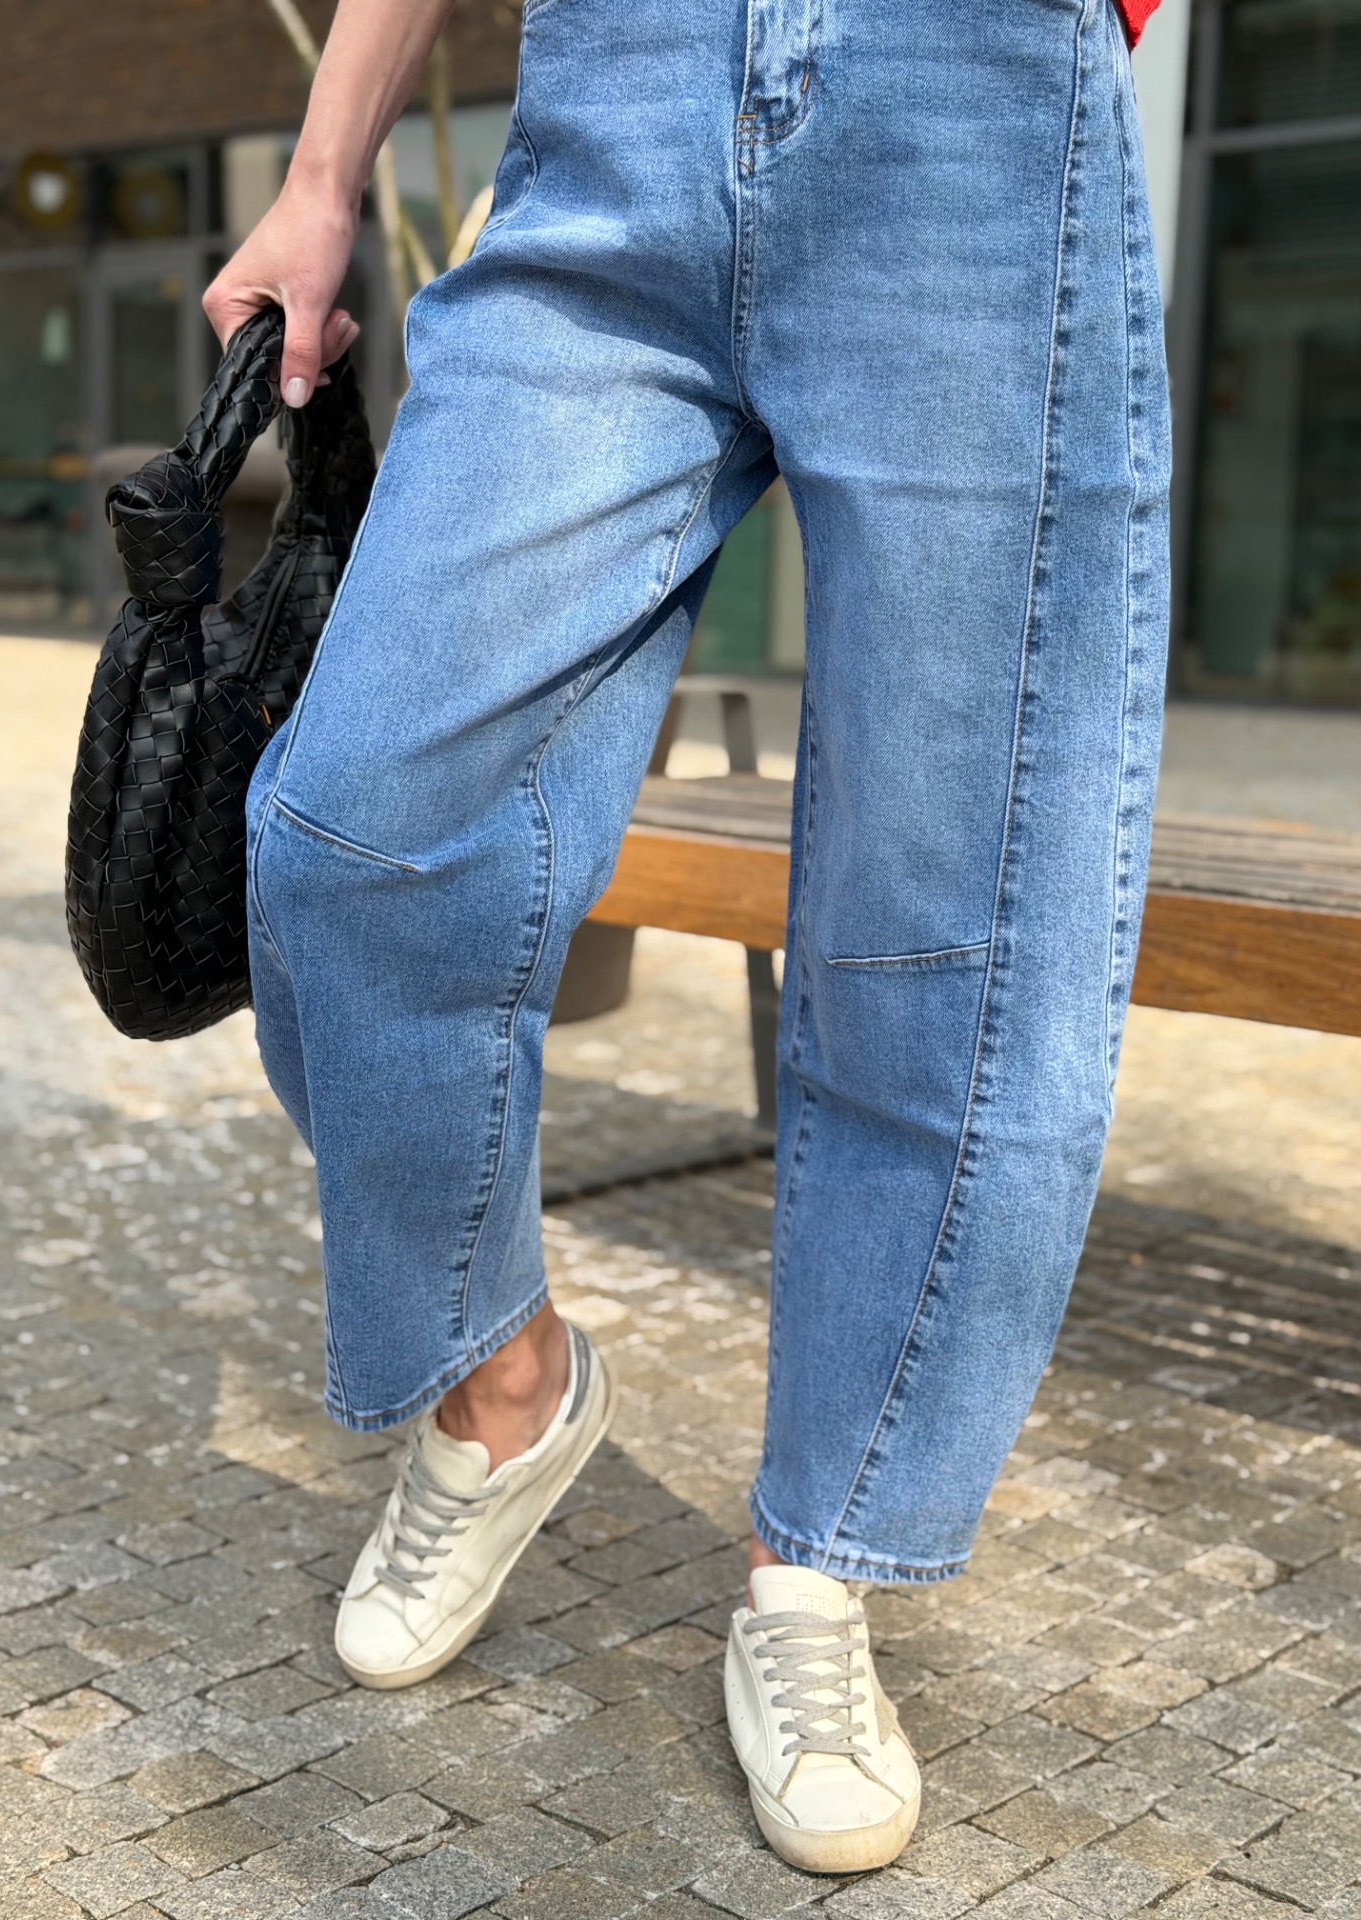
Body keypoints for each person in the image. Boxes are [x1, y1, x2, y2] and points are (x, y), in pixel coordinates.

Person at [205, 0, 1169, 1874]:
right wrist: (326, 174)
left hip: (966, 111)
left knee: (954, 924)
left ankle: (816, 1569)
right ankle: (504, 1380)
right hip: (616, 98)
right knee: (353, 827)